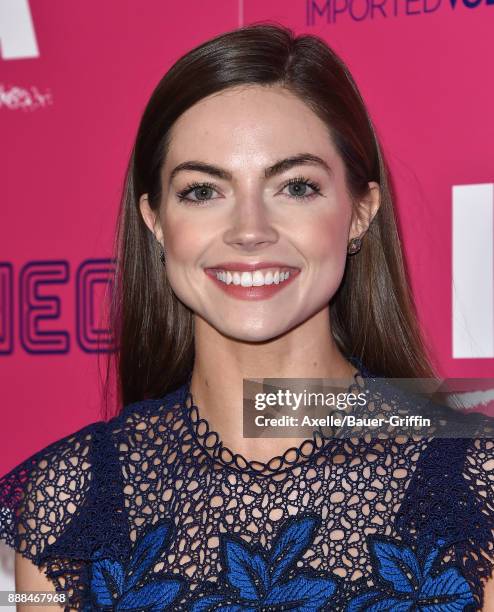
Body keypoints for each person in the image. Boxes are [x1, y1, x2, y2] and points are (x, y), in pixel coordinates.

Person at [1, 22, 493, 612]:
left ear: (360, 211)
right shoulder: (65, 499)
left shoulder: (478, 482)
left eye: (296, 186)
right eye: (204, 191)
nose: (250, 231)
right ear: (155, 221)